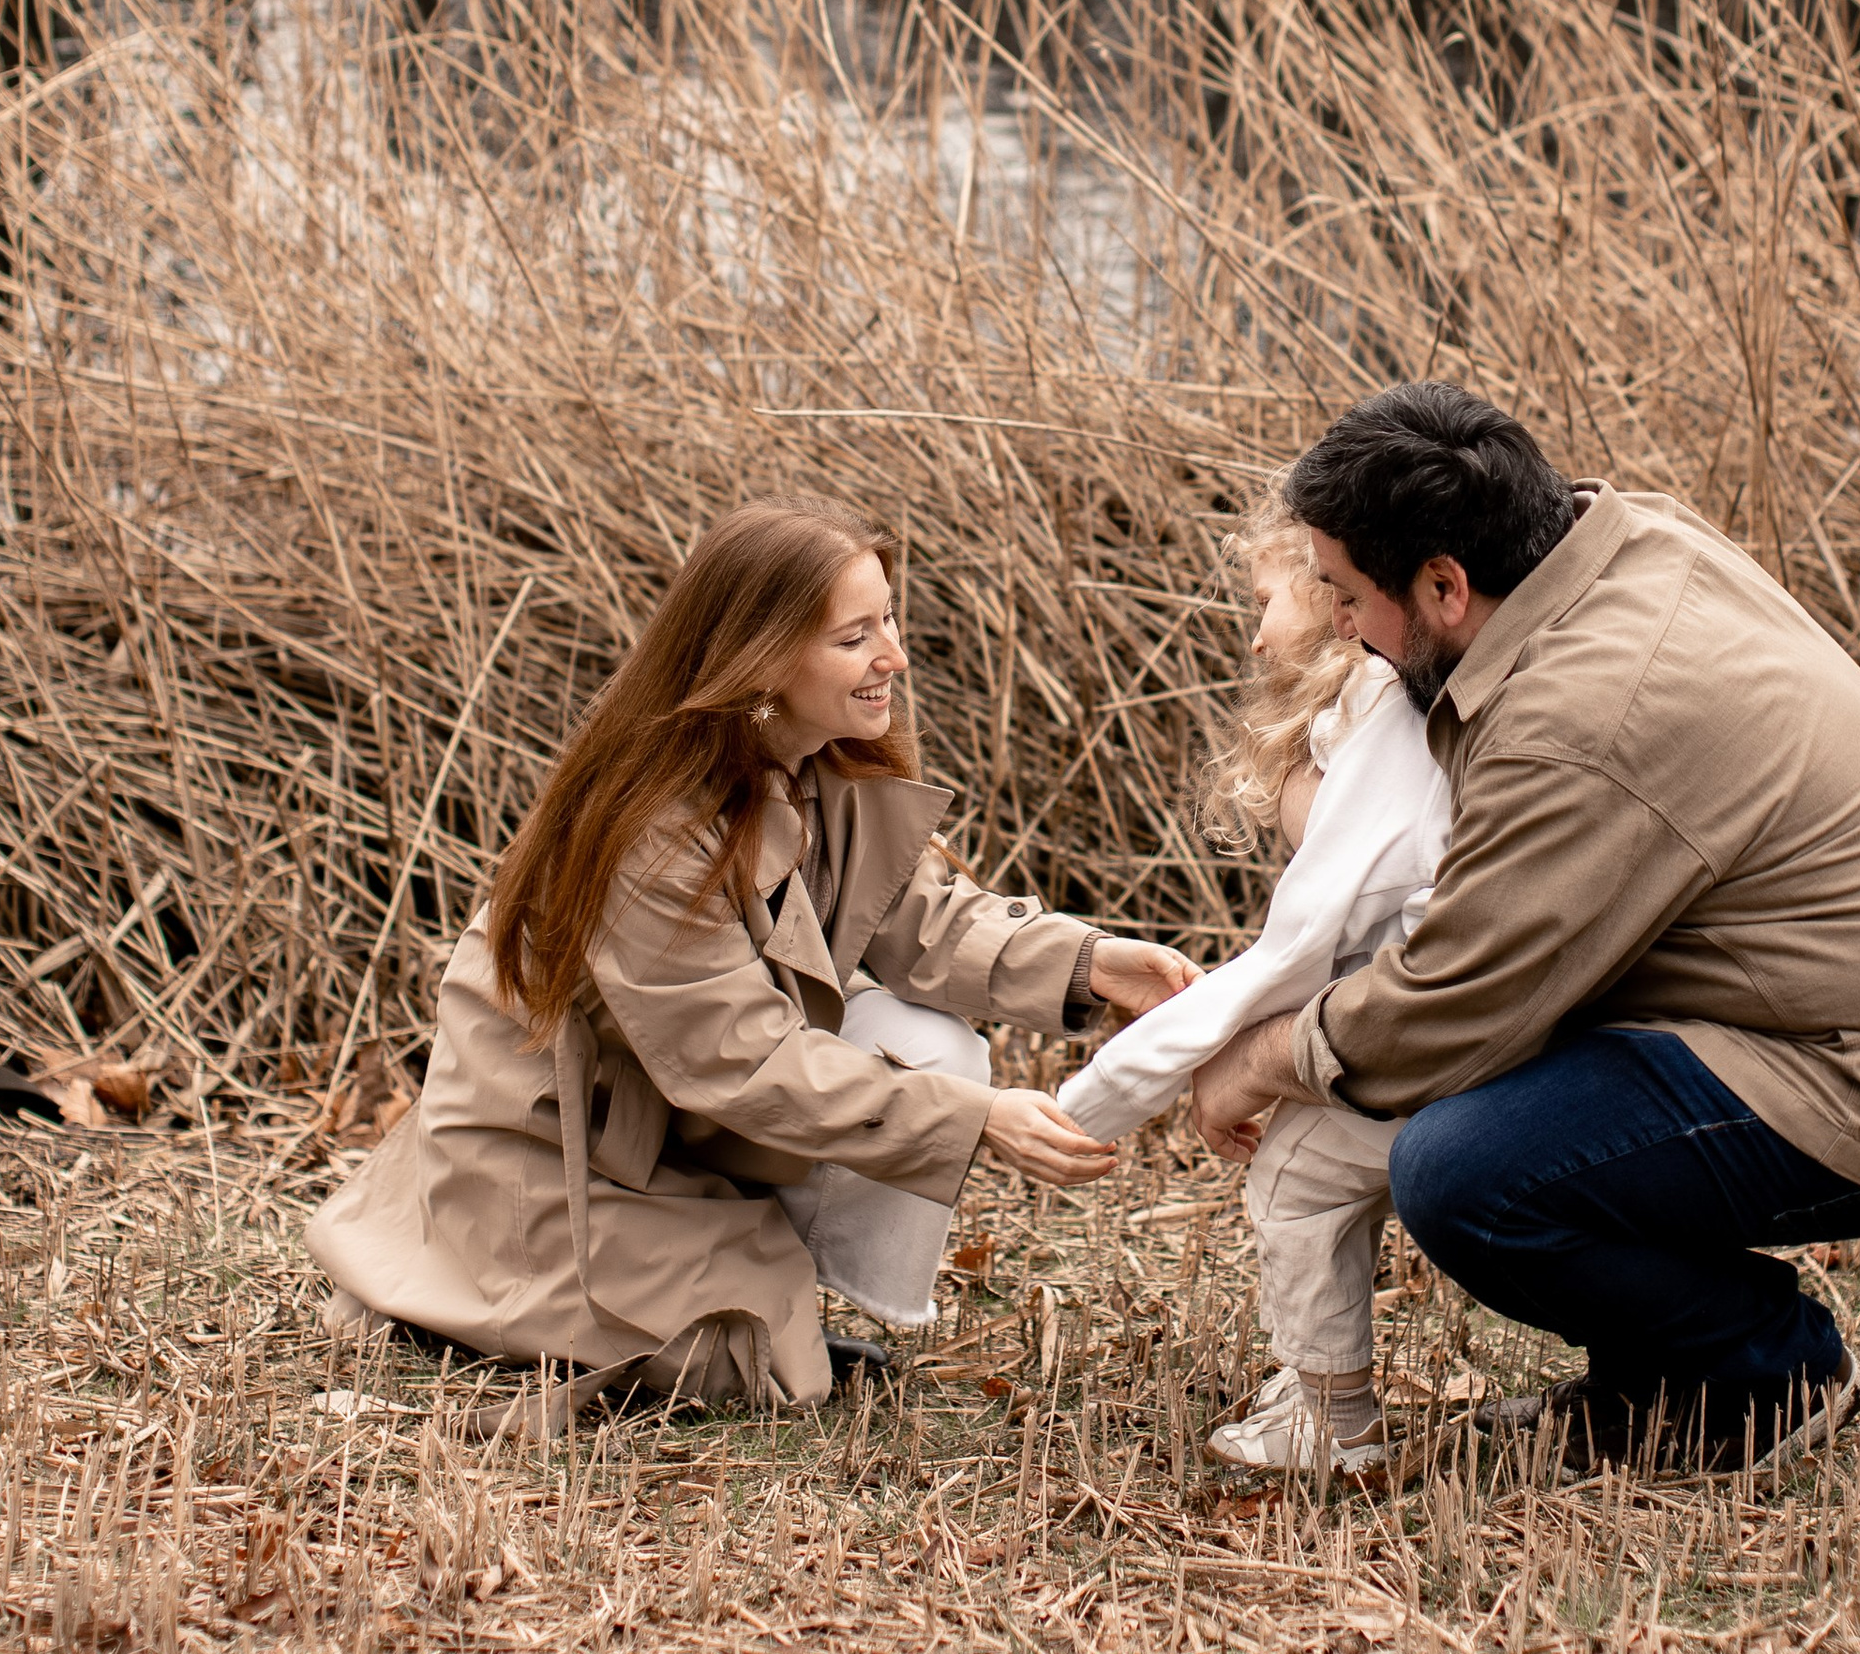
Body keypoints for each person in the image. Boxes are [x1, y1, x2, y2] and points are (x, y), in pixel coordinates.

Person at [1190, 384, 1860, 1474]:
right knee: (1512, 1125)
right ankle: (1655, 1384)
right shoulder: (1619, 545)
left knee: (1465, 1171)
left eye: (1349, 595)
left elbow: (1450, 1006)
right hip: (1791, 1017)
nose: (1340, 623)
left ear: (1445, 583)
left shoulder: (1586, 717)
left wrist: (1260, 1057)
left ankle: (1762, 1371)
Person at [306, 496, 1198, 1415]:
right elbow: (743, 1059)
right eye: (856, 636)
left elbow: (925, 918)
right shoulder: (649, 831)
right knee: (753, 1364)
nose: (893, 654)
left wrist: (1092, 965)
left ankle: (751, 1266)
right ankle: (457, 1293)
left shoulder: (816, 756)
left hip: (679, 1115)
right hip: (564, 1150)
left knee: (936, 1050)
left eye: (888, 618)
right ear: (763, 659)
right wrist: (973, 1122)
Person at [1058, 504, 1449, 1476]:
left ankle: (1329, 1416)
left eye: (1265, 600)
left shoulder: (1385, 722)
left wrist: (1118, 1089)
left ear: (1331, 600)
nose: (1254, 631)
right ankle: (1312, 1380)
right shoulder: (1361, 720)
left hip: (1441, 1029)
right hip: (1416, 1017)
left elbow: (1300, 949)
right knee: (1308, 1159)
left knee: (1297, 1171)